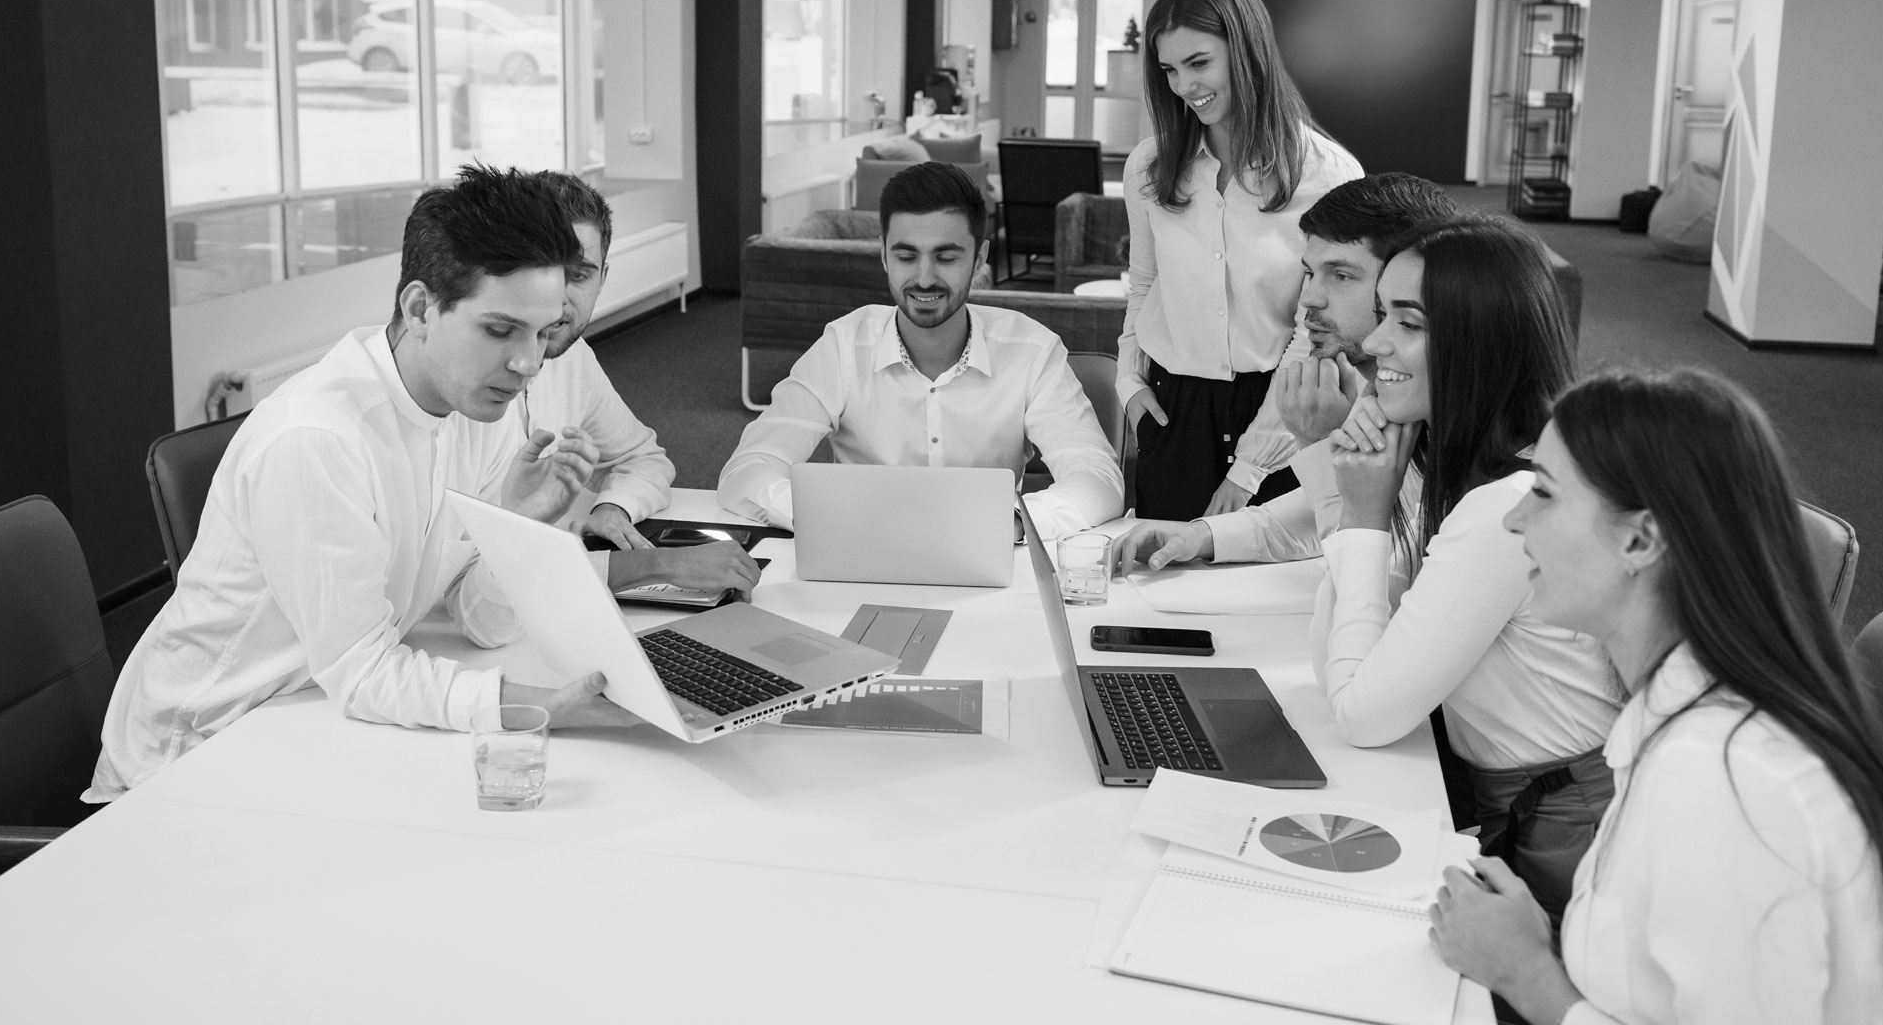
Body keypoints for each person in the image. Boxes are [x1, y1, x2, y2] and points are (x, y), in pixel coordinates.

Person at [88, 168, 706, 799]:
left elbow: (484, 625)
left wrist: (519, 528)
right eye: (500, 330)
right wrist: (542, 705)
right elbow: (362, 672)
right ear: (419, 309)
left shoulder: (475, 410)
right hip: (197, 754)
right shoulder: (319, 439)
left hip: (313, 714)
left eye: (543, 333)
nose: (527, 363)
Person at [1430, 368, 1883, 1025]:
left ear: (1640, 541)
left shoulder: (1724, 782)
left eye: (1543, 492)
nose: (1513, 519)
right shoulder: (1687, 708)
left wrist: (1530, 976)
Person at [1313, 215, 1622, 920]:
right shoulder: (1487, 471)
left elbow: (1359, 713)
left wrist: (1362, 517)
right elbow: (1341, 664)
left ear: (1479, 342)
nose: (1373, 343)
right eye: (1382, 314)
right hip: (1523, 806)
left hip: (1567, 838)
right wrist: (1366, 506)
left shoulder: (1508, 508)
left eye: (1408, 323)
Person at [717, 161, 1123, 541]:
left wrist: (1010, 522)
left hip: (990, 557)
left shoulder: (1032, 350)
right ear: (884, 255)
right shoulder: (843, 346)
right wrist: (831, 514)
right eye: (906, 256)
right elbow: (747, 471)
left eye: (946, 257)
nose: (924, 278)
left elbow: (1098, 478)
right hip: (860, 554)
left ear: (979, 258)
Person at [1111, 173, 1457, 572]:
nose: (1308, 298)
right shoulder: (1379, 388)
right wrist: (1201, 536)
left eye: (1341, 276)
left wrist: (1319, 443)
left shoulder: (1438, 408)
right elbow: (1319, 512)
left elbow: (1363, 578)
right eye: (1309, 273)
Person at [1119, 0, 1363, 522]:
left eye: (1199, 63)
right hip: (1171, 409)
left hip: (1281, 408)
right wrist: (1128, 382)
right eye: (1169, 70)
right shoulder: (1149, 166)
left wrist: (1250, 465)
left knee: (1271, 571)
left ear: (1246, 50)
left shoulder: (1327, 174)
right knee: (1164, 571)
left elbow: (1316, 330)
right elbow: (1145, 285)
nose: (1184, 87)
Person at [510, 170, 677, 550]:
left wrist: (614, 507)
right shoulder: (460, 374)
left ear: (601, 279)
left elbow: (641, 458)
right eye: (541, 270)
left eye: (579, 274)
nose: (557, 297)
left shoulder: (572, 357)